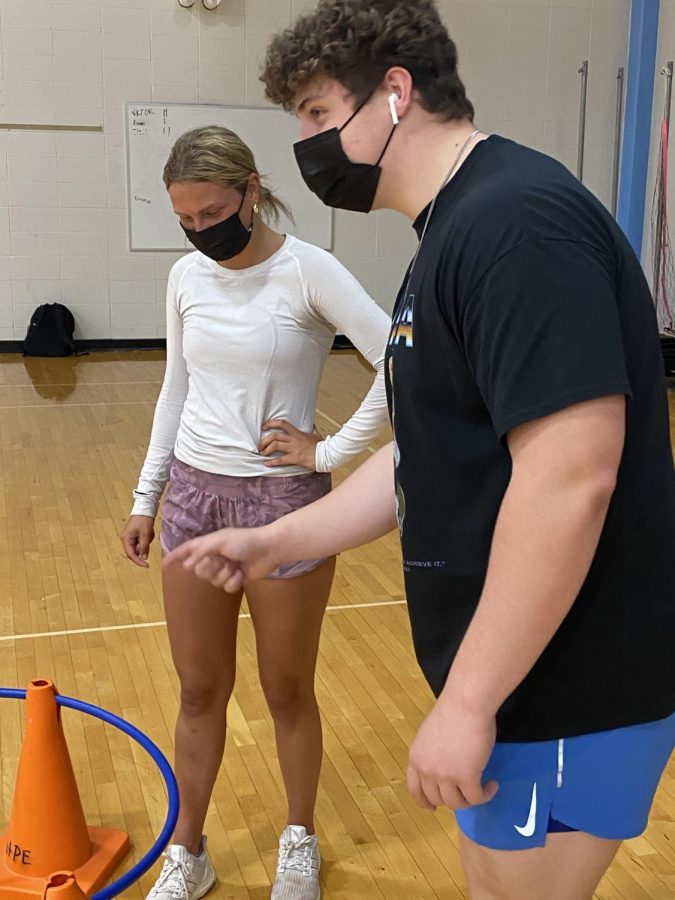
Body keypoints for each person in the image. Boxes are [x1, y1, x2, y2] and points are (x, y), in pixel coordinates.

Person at [166, 2, 675, 898]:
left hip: (570, 687)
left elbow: (571, 478)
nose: (307, 145)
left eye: (319, 115)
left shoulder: (514, 225)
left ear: (395, 94)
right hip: (521, 682)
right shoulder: (449, 232)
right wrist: (275, 542)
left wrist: (470, 700)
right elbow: (430, 453)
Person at [120, 124, 391, 900]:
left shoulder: (310, 271)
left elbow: (401, 360)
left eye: (212, 212)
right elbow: (176, 386)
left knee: (285, 689)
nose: (201, 232)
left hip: (282, 507)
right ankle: (189, 850)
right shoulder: (184, 279)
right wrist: (149, 496)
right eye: (186, 220)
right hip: (195, 501)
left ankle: (298, 839)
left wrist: (331, 451)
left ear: (250, 188)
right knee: (199, 690)